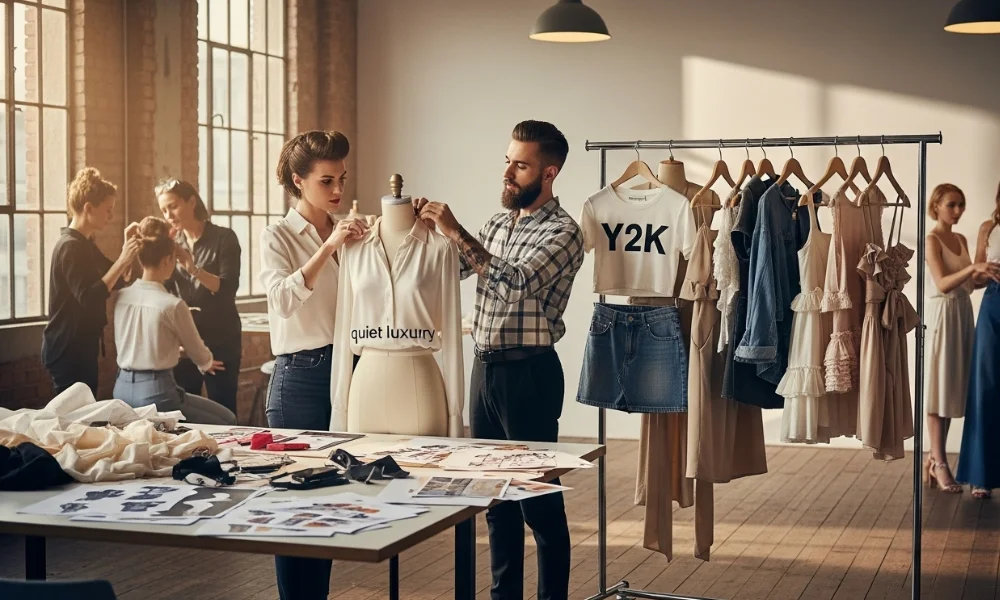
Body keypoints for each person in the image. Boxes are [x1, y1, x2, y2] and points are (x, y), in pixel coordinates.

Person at [414, 120, 583, 600]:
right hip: (484, 369)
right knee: (495, 500)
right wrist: (422, 233)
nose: (508, 171)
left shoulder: (565, 232)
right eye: (507, 160)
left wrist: (454, 228)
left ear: (549, 173)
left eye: (521, 164)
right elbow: (456, 269)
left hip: (529, 374)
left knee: (538, 502)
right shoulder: (495, 223)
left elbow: (516, 281)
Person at [258, 130, 368, 600]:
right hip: (298, 376)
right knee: (292, 505)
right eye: (326, 181)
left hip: (347, 370)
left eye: (341, 178)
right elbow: (282, 300)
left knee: (329, 498)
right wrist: (328, 248)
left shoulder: (350, 231)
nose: (337, 190)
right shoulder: (277, 235)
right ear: (298, 181)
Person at [111, 217, 235, 425]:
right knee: (227, 421)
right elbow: (198, 352)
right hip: (156, 392)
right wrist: (206, 362)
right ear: (168, 260)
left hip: (121, 389)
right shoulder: (172, 304)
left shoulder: (121, 296)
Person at [923, 184, 1000, 492]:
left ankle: (937, 460)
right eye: (952, 205)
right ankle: (943, 463)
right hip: (949, 314)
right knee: (947, 388)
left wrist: (981, 273)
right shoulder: (935, 238)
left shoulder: (960, 238)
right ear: (936, 206)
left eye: (961, 205)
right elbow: (946, 282)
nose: (958, 211)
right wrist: (976, 268)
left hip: (964, 312)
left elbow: (973, 281)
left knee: (956, 389)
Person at [42, 167, 140, 397]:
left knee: (84, 415)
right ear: (88, 208)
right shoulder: (70, 246)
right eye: (107, 210)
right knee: (73, 420)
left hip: (82, 346)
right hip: (67, 349)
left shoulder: (85, 243)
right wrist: (123, 259)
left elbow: (114, 280)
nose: (111, 216)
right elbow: (90, 296)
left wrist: (125, 253)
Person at [156, 178, 243, 416]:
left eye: (173, 206)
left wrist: (192, 268)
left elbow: (226, 289)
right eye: (164, 210)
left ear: (192, 202)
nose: (168, 215)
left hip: (221, 342)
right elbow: (168, 293)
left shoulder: (225, 238)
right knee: (183, 414)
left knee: (225, 412)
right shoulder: (173, 243)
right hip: (185, 344)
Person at [957, 180, 1000, 499]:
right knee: (985, 385)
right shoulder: (990, 226)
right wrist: (984, 270)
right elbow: (976, 277)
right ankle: (981, 475)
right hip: (994, 305)